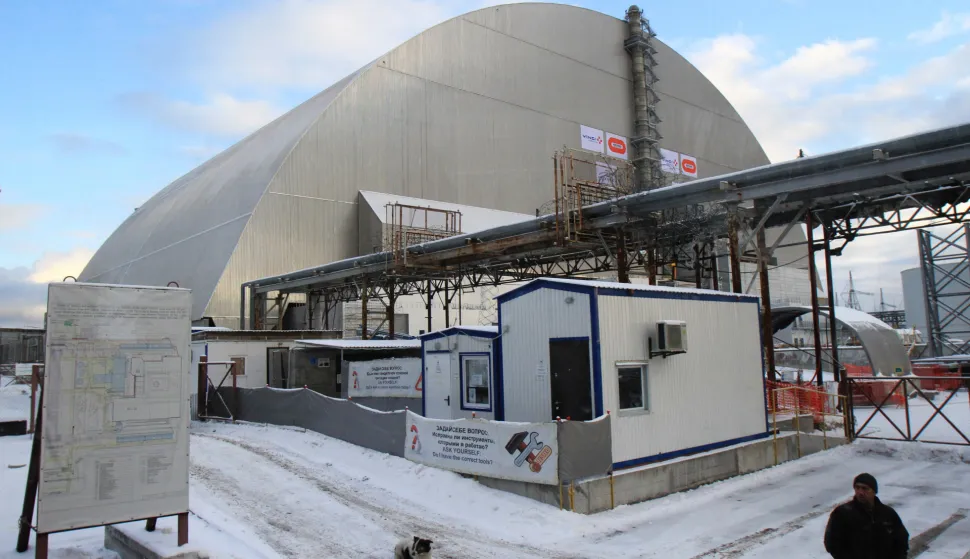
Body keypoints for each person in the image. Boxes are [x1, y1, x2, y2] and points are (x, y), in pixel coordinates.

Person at [823, 473, 909, 559]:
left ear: (874, 491)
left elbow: (901, 540)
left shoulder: (887, 514)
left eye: (865, 489)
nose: (860, 492)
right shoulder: (842, 513)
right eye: (857, 488)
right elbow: (832, 543)